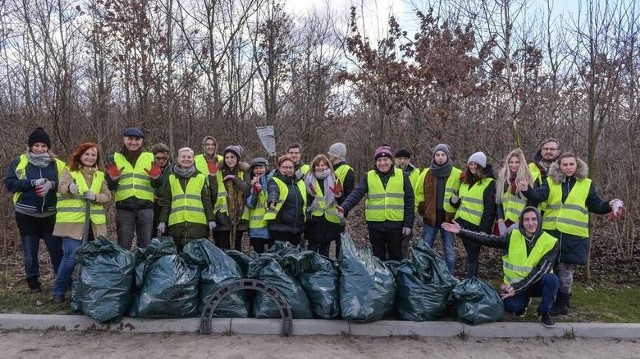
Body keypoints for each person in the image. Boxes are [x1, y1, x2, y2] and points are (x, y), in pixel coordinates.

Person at [522, 152, 624, 315]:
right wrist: (527, 189)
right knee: (550, 268)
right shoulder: (550, 181)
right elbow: (538, 196)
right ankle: (551, 299)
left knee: (564, 269)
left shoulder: (586, 184)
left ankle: (562, 303)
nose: (568, 167)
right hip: (550, 233)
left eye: (571, 164)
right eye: (565, 165)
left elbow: (596, 206)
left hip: (573, 235)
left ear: (577, 165)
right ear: (559, 166)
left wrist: (612, 203)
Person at [442, 206, 560, 328]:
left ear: (539, 221)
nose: (531, 223)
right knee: (512, 307)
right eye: (527, 220)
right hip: (516, 284)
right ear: (522, 222)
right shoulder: (513, 236)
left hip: (535, 283)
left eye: (534, 219)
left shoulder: (550, 242)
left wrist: (516, 288)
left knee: (552, 280)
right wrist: (462, 231)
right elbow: (488, 239)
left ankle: (544, 313)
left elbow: (539, 272)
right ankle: (523, 302)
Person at [4, 127, 65, 292]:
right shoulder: (20, 162)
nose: (40, 149)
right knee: (30, 253)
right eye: (36, 145)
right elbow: (10, 184)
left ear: (48, 148)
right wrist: (32, 183)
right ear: (30, 146)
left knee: (56, 251)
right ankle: (33, 282)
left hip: (51, 214)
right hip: (26, 214)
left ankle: (61, 280)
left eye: (44, 146)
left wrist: (52, 185)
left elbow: (68, 185)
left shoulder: (58, 165)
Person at [52, 142, 111, 303]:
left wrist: (96, 197)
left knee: (92, 259)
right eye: (87, 154)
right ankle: (59, 291)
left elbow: (107, 195)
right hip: (72, 223)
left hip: (94, 225)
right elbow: (61, 187)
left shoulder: (99, 175)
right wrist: (70, 187)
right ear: (80, 155)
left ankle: (85, 291)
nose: (90, 157)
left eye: (93, 155)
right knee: (71, 257)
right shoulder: (70, 171)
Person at [339, 145, 415, 261]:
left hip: (395, 224)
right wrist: (344, 207)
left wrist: (408, 224)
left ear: (391, 161)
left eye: (385, 160)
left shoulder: (402, 175)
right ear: (375, 162)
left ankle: (394, 278)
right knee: (377, 256)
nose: (382, 163)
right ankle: (379, 278)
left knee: (395, 256)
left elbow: (410, 200)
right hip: (375, 224)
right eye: (379, 160)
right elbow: (356, 194)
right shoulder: (369, 176)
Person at [105, 127, 163, 250]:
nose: (133, 142)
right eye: (130, 139)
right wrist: (113, 179)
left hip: (146, 207)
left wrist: (156, 178)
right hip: (124, 208)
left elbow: (158, 185)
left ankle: (143, 268)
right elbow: (109, 186)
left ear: (142, 141)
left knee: (145, 245)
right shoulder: (114, 158)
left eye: (137, 139)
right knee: (124, 245)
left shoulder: (150, 157)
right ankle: (124, 268)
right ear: (124, 139)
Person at [414, 143, 461, 273]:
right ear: (434, 157)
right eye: (437, 155)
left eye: (443, 155)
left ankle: (448, 278)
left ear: (447, 156)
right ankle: (424, 276)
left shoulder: (457, 174)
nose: (440, 157)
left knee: (449, 253)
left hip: (448, 220)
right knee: (425, 250)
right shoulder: (426, 173)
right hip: (430, 219)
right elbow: (418, 193)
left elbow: (463, 193)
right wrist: (421, 210)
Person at [157, 147, 215, 252]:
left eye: (189, 157)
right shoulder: (171, 178)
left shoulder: (201, 177)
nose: (186, 159)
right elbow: (167, 202)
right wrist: (162, 221)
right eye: (183, 156)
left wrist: (211, 219)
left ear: (193, 159)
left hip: (198, 225)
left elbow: (207, 201)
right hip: (176, 225)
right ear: (178, 159)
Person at [451, 151, 496, 278]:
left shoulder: (489, 183)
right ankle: (469, 282)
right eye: (470, 164)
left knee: (472, 257)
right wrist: (454, 196)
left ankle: (471, 284)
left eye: (476, 164)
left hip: (476, 228)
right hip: (462, 225)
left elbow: (489, 210)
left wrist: (483, 231)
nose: (472, 167)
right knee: (469, 256)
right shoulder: (465, 181)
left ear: (482, 166)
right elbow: (457, 203)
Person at [211, 145, 251, 251]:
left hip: (240, 214)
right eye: (227, 157)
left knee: (237, 247)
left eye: (232, 157)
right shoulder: (219, 171)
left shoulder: (245, 171)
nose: (229, 160)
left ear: (237, 158)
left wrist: (234, 178)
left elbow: (247, 188)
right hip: (222, 214)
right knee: (222, 246)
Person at [304, 154, 343, 257]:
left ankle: (324, 271)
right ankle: (312, 271)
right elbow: (305, 198)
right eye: (317, 165)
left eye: (323, 165)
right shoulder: (308, 179)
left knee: (325, 250)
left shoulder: (334, 178)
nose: (320, 167)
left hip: (329, 219)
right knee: (312, 249)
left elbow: (341, 200)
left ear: (328, 166)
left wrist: (338, 194)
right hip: (314, 219)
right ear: (313, 166)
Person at [265, 155, 307, 246]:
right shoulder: (275, 180)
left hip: (297, 229)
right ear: (279, 168)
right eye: (284, 167)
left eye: (290, 167)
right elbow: (273, 191)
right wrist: (272, 201)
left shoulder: (300, 182)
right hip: (279, 229)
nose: (288, 170)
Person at [327, 142, 355, 258]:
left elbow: (350, 194)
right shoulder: (328, 168)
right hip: (327, 211)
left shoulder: (347, 170)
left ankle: (339, 264)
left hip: (339, 212)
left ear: (336, 156)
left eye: (331, 154)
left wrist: (344, 210)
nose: (329, 156)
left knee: (339, 241)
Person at [495, 148, 532, 235]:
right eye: (511, 162)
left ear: (522, 164)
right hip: (505, 223)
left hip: (522, 224)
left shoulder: (528, 179)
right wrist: (500, 221)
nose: (513, 165)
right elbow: (498, 202)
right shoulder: (502, 179)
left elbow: (531, 203)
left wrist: (520, 222)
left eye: (517, 162)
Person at [246, 157, 273, 253]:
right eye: (256, 168)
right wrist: (255, 193)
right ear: (253, 171)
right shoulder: (250, 184)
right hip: (256, 228)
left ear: (266, 168)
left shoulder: (273, 181)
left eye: (261, 167)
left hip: (271, 227)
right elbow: (250, 204)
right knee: (258, 258)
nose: (259, 170)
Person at [528, 138, 561, 213]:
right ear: (541, 151)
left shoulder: (564, 168)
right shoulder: (530, 167)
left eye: (552, 149)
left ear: (558, 152)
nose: (549, 151)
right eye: (546, 149)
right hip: (532, 213)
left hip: (554, 214)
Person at [150, 143, 172, 235]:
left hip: (167, 205)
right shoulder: (148, 168)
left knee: (166, 235)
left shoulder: (173, 170)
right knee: (150, 235)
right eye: (158, 158)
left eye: (164, 158)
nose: (161, 160)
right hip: (151, 205)